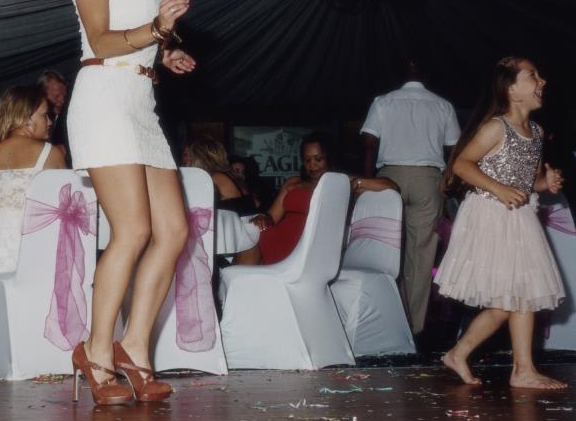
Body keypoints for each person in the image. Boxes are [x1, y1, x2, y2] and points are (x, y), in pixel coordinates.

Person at [67, 0, 196, 406]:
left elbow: (137, 41)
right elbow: (98, 41)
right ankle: (96, 355)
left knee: (174, 231)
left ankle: (135, 349)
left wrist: (166, 54)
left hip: (139, 102)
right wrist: (157, 29)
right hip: (103, 102)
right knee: (133, 231)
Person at [435, 57, 566, 389]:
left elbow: (528, 182)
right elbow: (461, 165)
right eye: (533, 75)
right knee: (509, 298)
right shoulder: (496, 127)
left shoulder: (536, 132)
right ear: (512, 89)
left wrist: (545, 183)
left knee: (517, 297)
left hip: (519, 218)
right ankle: (498, 363)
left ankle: (510, 366)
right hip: (490, 216)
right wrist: (497, 187)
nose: (542, 81)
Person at [361, 59, 461, 335]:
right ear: (427, 74)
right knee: (421, 256)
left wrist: (367, 185)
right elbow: (454, 150)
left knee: (383, 249)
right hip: (428, 179)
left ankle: (382, 323)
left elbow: (369, 145)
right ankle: (412, 331)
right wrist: (447, 184)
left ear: (401, 73)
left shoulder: (383, 102)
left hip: (387, 179)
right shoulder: (443, 105)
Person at [235, 133, 398, 266]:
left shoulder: (340, 181)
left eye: (318, 159)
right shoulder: (293, 183)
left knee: (251, 247)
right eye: (307, 160)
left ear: (328, 158)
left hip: (311, 247)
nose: (312, 165)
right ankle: (235, 297)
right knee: (250, 239)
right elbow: (272, 217)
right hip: (280, 237)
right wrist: (263, 217)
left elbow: (391, 186)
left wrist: (358, 183)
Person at [0, 85, 65, 300]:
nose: (49, 121)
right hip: (35, 249)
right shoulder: (51, 153)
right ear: (26, 117)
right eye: (44, 115)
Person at [183, 137, 258, 215]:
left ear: (202, 158)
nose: (187, 160)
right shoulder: (226, 175)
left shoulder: (216, 178)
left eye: (191, 156)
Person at [37, 69, 69, 153]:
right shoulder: (35, 124)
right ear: (42, 95)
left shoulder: (68, 117)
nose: (62, 100)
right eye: (56, 96)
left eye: (64, 96)